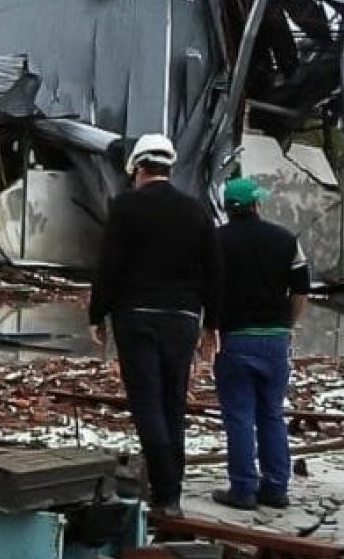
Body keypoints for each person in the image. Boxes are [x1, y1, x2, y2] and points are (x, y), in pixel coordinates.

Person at [88, 133, 222, 517]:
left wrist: (97, 314)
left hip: (136, 316)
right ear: (169, 166)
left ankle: (165, 493)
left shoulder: (126, 207)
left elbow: (109, 263)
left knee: (147, 403)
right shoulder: (196, 211)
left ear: (138, 169)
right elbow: (215, 270)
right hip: (182, 320)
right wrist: (211, 324)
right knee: (172, 403)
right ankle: (170, 491)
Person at [210, 177, 310, 510]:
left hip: (236, 338)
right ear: (255, 205)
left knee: (239, 415)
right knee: (271, 414)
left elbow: (204, 290)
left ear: (228, 208)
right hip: (275, 340)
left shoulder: (216, 240)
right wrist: (287, 325)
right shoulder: (285, 239)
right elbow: (300, 290)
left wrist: (207, 330)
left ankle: (243, 489)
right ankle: (276, 487)